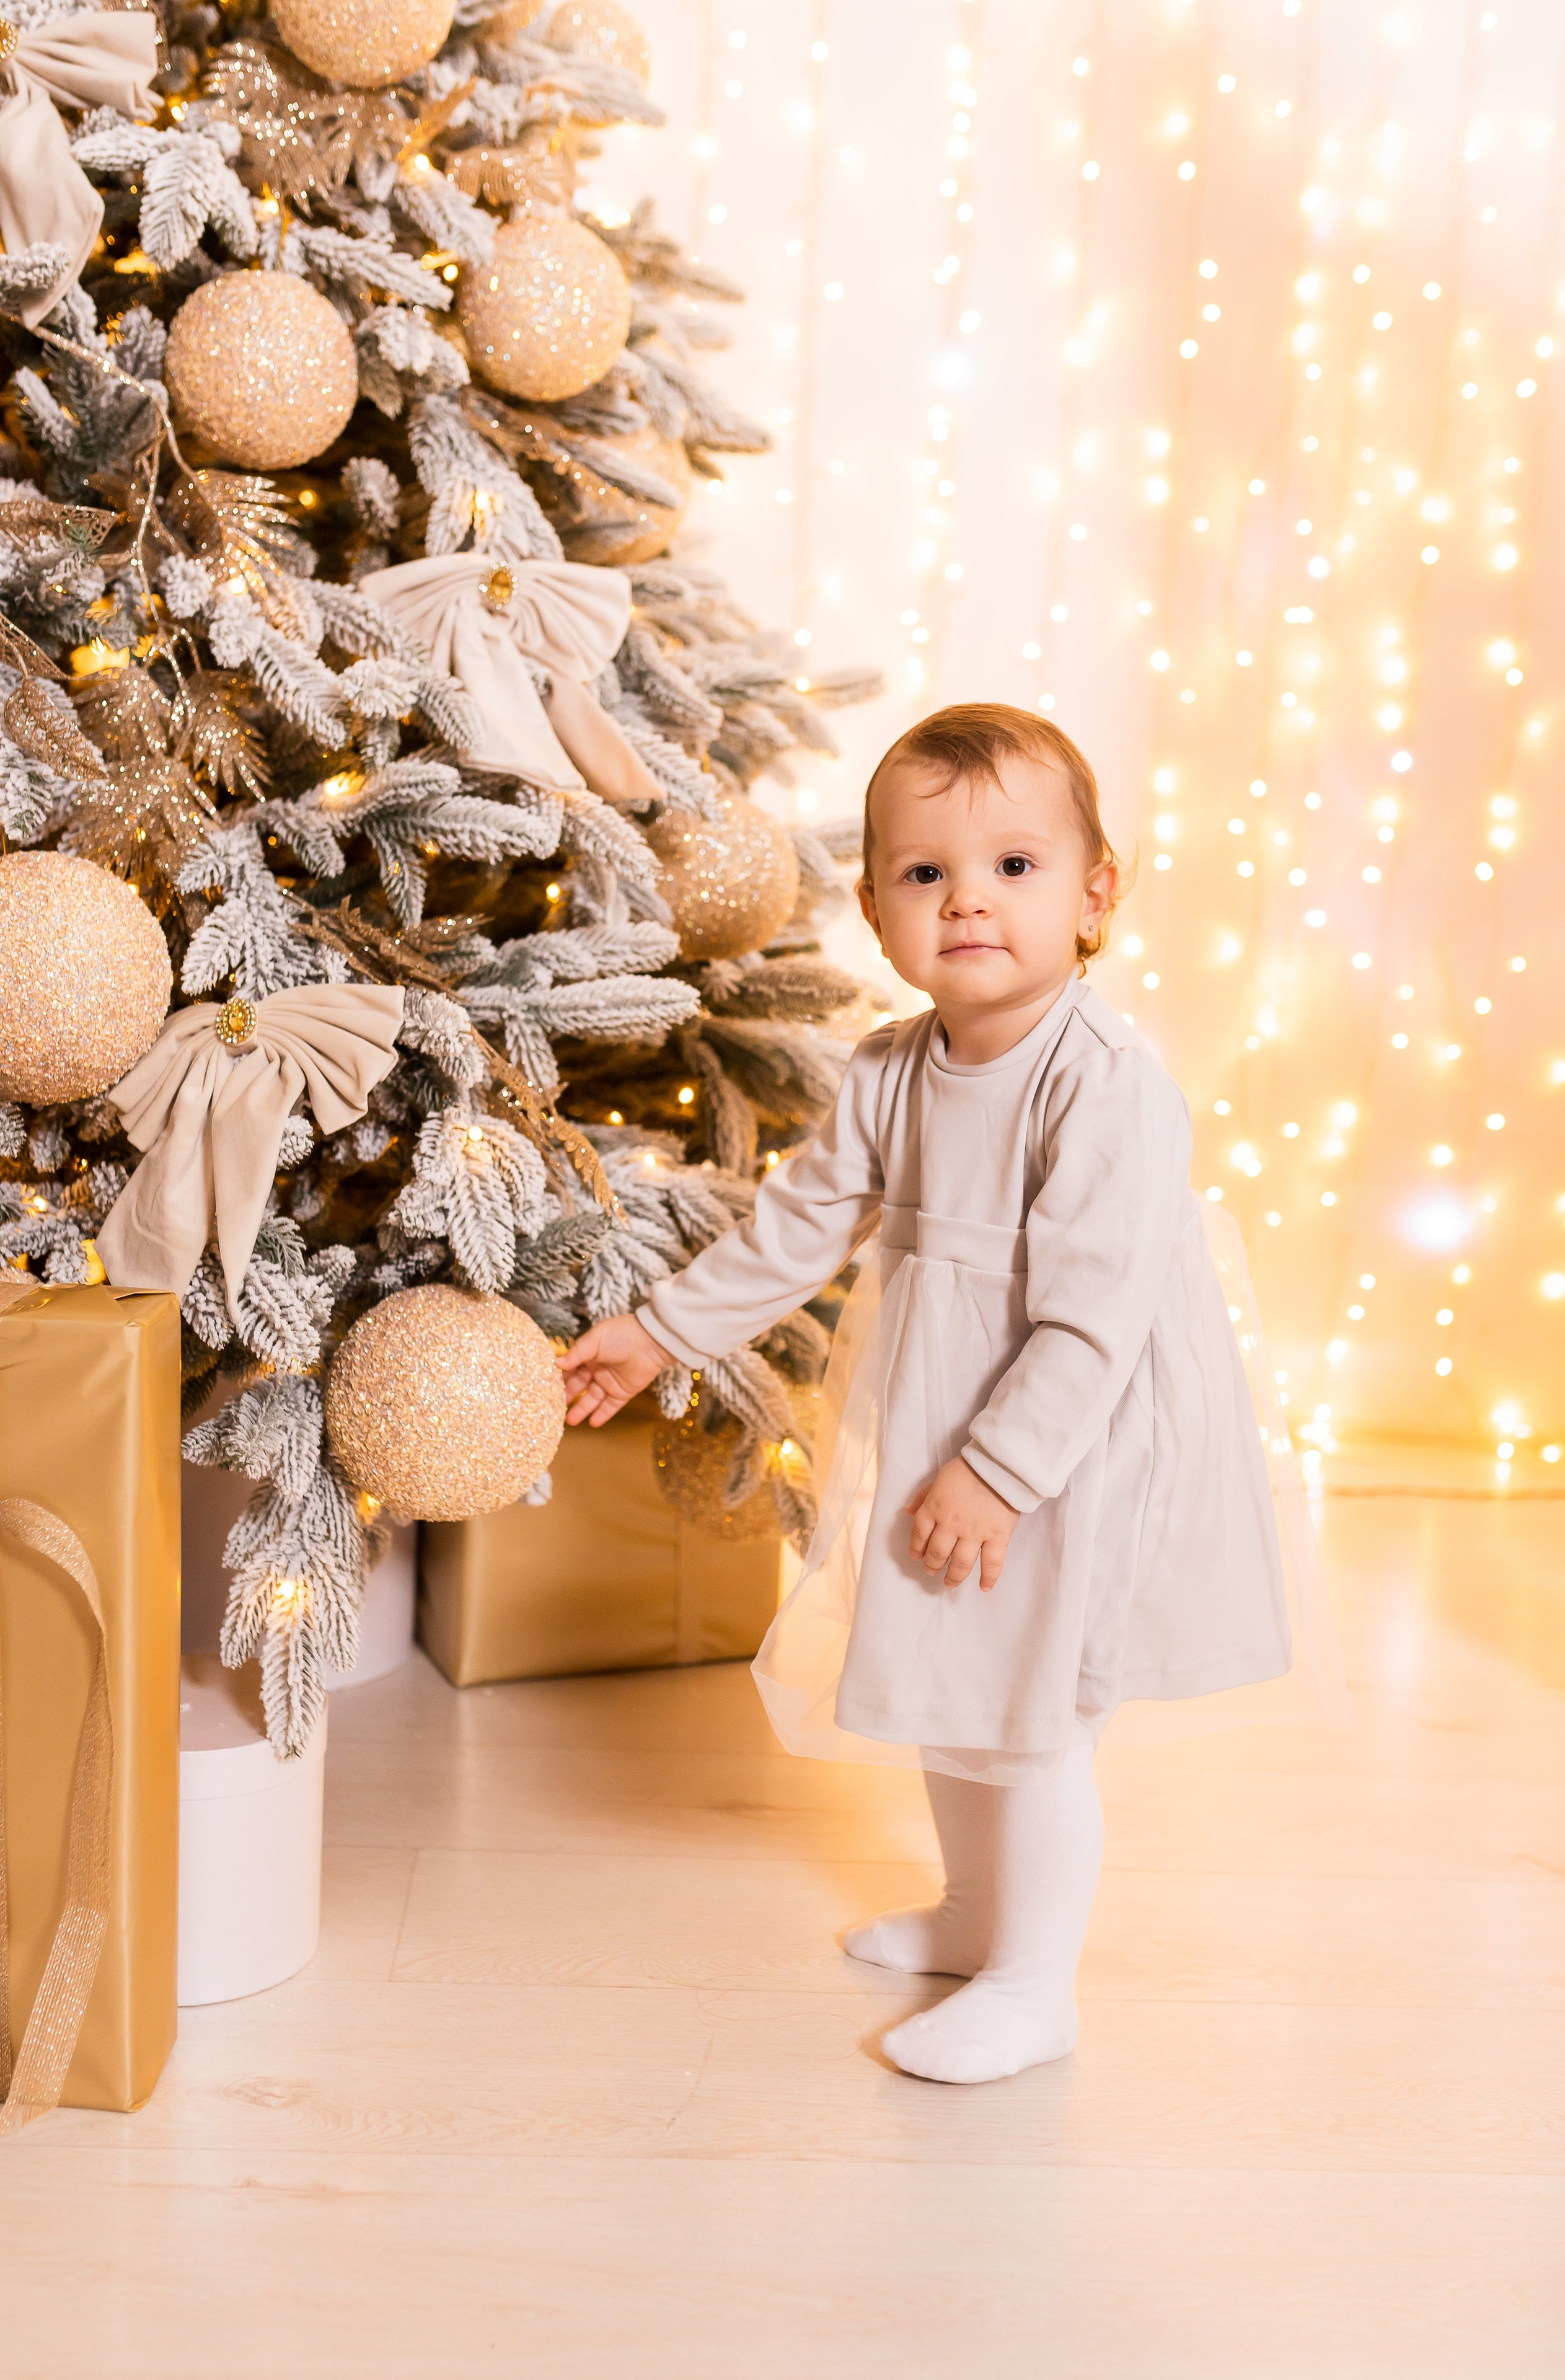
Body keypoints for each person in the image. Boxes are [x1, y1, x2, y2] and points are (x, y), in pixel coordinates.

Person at [557, 703, 1302, 2085]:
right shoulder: (891, 1069)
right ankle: (973, 1916)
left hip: (1058, 1442)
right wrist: (658, 1334)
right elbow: (797, 1229)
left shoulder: (1105, 1087)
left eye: (1013, 867)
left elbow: (1090, 1317)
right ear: (875, 908)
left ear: (1094, 896)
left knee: (1030, 1716)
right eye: (924, 873)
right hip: (933, 1413)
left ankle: (1035, 1984)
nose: (966, 899)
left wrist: (1002, 1470)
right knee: (954, 1679)